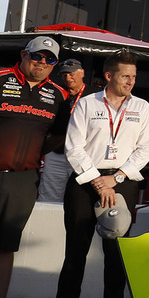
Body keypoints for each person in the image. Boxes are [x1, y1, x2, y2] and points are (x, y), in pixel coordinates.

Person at [41, 52, 149, 298]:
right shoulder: (87, 104)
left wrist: (115, 179)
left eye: (133, 76)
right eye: (125, 76)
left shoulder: (141, 107)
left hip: (122, 182)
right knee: (74, 256)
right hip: (84, 183)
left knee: (115, 257)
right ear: (109, 76)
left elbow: (145, 149)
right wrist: (98, 183)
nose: (131, 81)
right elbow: (74, 147)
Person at [0, 36, 68, 298]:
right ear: (24, 55)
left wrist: (34, 151)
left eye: (49, 60)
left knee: (5, 247)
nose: (42, 63)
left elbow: (59, 136)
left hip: (22, 180)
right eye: (38, 56)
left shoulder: (58, 95)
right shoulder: (1, 78)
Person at [39, 59, 100, 203]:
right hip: (57, 152)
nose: (68, 78)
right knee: (49, 196)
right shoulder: (56, 93)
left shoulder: (96, 95)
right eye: (64, 74)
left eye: (72, 74)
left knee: (82, 196)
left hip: (85, 153)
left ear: (82, 73)